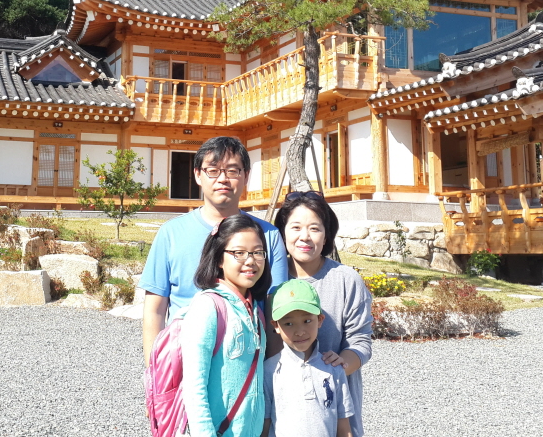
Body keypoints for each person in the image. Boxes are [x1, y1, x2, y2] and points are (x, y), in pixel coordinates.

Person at [140, 136, 289, 364]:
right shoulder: (171, 234)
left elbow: (274, 311)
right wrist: (155, 369)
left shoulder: (268, 236)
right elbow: (155, 311)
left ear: (246, 176)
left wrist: (270, 371)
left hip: (247, 364)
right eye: (213, 170)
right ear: (197, 175)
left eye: (232, 171)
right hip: (183, 361)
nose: (223, 179)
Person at [274, 192, 371, 437]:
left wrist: (338, 366)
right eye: (296, 227)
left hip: (335, 413)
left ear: (326, 235)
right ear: (282, 232)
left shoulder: (347, 280)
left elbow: (360, 341)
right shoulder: (271, 280)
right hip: (281, 409)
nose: (304, 236)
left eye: (314, 228)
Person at [182, 214, 271, 437]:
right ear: (219, 259)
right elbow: (194, 387)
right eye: (239, 253)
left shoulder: (256, 311)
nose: (250, 260)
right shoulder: (208, 307)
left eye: (257, 252)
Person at [263, 279, 354, 437]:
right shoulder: (269, 370)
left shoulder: (334, 369)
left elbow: (343, 427)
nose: (300, 331)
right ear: (276, 325)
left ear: (320, 320)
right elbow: (265, 426)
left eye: (307, 321)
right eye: (288, 323)